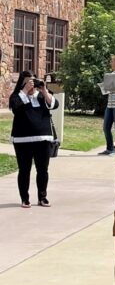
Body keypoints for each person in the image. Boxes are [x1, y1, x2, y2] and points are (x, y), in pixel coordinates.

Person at [9, 70, 60, 208]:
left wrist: (44, 90)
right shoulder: (17, 96)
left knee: (43, 170)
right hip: (22, 140)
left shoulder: (42, 96)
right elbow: (15, 106)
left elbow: (54, 105)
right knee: (24, 170)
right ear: (22, 83)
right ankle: (24, 198)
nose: (31, 84)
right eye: (28, 81)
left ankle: (42, 197)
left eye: (33, 80)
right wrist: (24, 91)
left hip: (43, 139)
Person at [98, 55, 115, 155]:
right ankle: (109, 148)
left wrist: (112, 87)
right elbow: (110, 88)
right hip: (109, 104)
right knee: (106, 127)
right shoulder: (112, 74)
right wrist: (104, 87)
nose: (111, 63)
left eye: (112, 61)